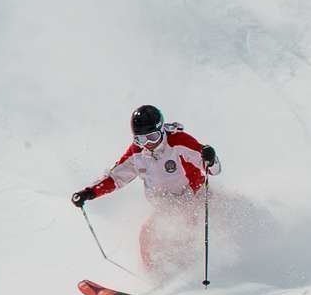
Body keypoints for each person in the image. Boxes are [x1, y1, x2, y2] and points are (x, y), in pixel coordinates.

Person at [71, 105, 220, 271]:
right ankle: (155, 280)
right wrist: (89, 192)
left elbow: (213, 169)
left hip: (194, 198)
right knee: (147, 235)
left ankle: (191, 274)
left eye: (152, 137)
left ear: (161, 130)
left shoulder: (178, 141)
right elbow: (115, 178)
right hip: (166, 206)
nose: (148, 144)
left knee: (182, 231)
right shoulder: (137, 153)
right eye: (141, 139)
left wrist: (210, 159)